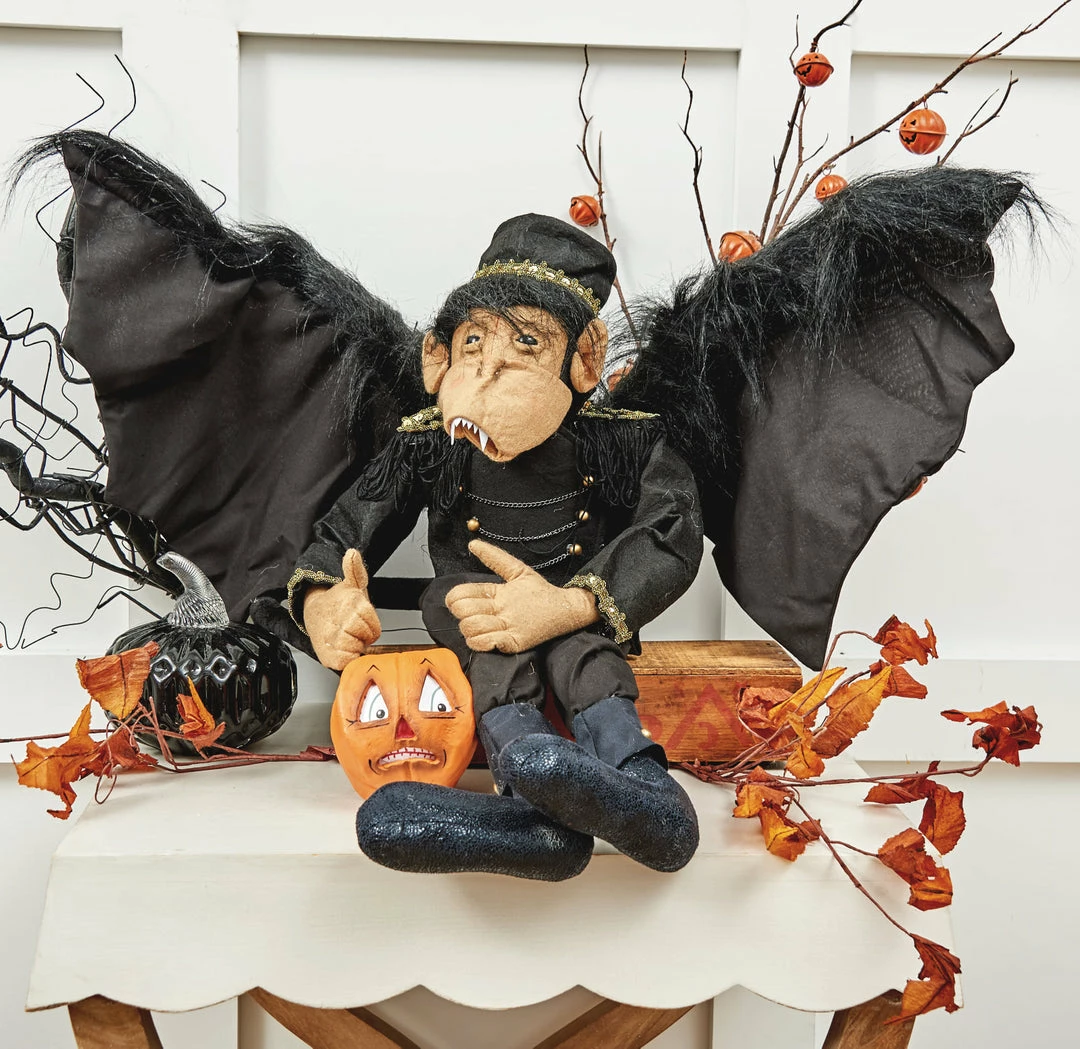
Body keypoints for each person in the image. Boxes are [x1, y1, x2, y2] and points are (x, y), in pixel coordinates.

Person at [289, 214, 703, 880]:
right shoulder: (427, 442)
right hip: (471, 611)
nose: (487, 370)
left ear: (584, 358)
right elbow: (346, 530)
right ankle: (536, 802)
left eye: (526, 342)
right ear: (440, 354)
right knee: (487, 643)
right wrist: (320, 598)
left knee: (582, 653)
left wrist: (569, 605)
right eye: (474, 340)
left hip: (574, 608)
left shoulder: (624, 440)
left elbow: (671, 529)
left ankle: (645, 790)